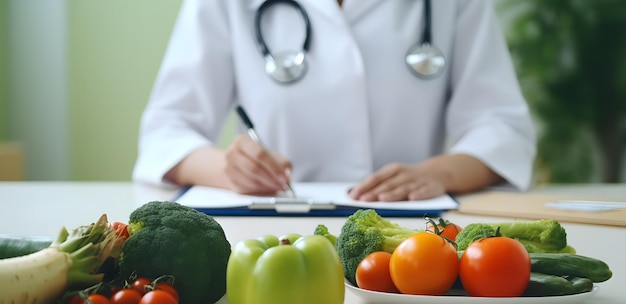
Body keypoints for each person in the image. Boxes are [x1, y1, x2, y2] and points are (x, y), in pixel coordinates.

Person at [132, 0, 537, 201]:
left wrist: (437, 174)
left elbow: (501, 128)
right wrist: (229, 168)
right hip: (270, 240)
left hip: (413, 244)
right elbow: (168, 130)